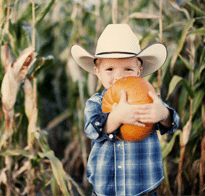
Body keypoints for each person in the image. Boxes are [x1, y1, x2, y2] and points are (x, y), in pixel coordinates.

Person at [70, 24, 180, 196]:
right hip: (106, 188)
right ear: (97, 72)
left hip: (144, 186)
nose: (119, 76)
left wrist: (163, 114)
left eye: (128, 69)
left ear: (139, 71)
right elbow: (92, 130)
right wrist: (116, 117)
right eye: (110, 69)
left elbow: (173, 123)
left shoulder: (149, 97)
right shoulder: (95, 102)